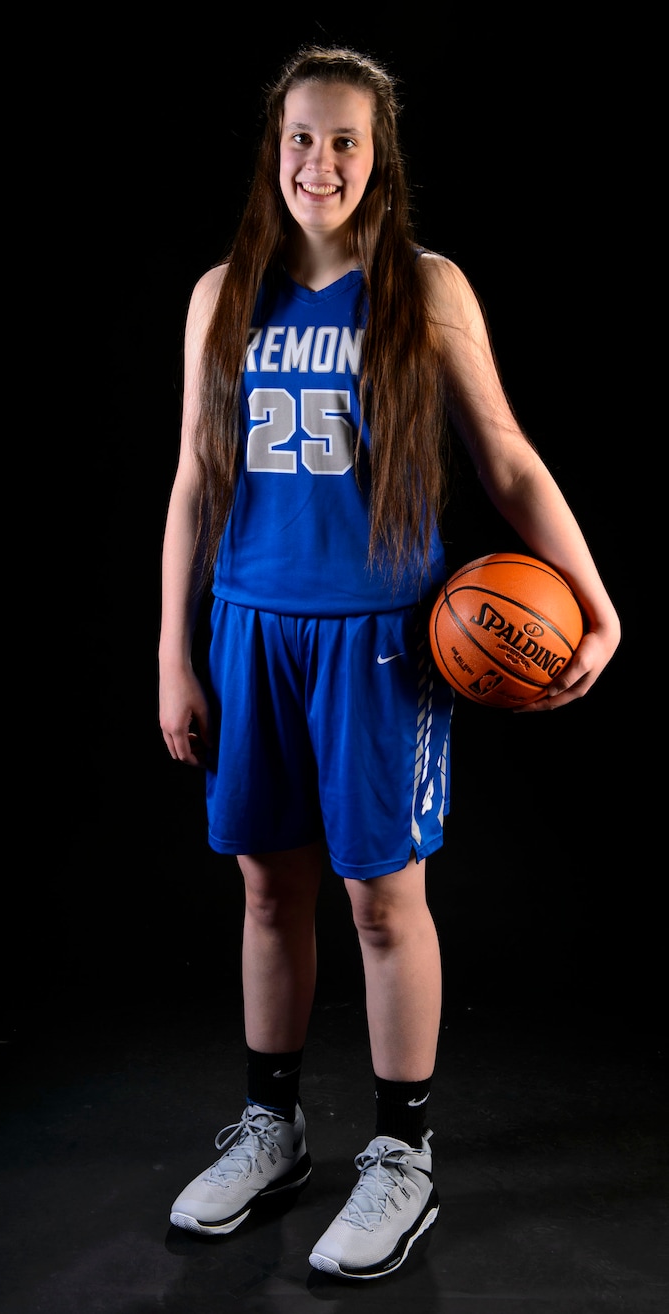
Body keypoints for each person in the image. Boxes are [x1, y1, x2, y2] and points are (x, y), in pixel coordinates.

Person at [158, 44, 620, 1281]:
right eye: (301, 138)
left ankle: (403, 1155)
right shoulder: (222, 293)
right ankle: (272, 1131)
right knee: (266, 891)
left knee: (380, 899)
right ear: (276, 149)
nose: (319, 162)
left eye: (345, 141)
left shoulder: (425, 287)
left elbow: (506, 457)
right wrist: (171, 655)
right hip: (249, 624)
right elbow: (195, 481)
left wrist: (595, 601)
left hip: (378, 637)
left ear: (380, 158)